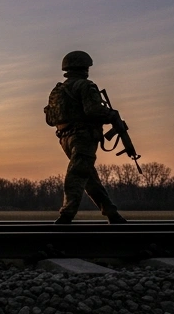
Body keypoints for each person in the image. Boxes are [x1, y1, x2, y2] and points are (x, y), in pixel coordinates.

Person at [44, 51, 128, 224]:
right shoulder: (85, 86)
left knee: (89, 177)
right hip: (83, 136)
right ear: (85, 67)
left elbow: (50, 119)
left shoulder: (57, 90)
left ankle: (112, 213)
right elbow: (93, 110)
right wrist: (111, 115)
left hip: (65, 137)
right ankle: (66, 215)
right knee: (78, 173)